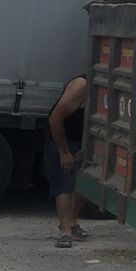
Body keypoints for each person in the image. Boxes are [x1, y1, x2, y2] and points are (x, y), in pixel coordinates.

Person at [46, 75, 89, 247]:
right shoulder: (82, 85)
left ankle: (72, 222)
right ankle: (64, 232)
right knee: (65, 183)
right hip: (62, 138)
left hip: (83, 139)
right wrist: (64, 152)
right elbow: (55, 119)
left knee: (89, 184)